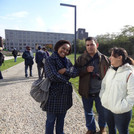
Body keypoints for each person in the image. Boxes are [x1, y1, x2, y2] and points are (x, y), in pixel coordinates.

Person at [75, 37, 110, 134]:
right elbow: (75, 72)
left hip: (101, 91)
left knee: (102, 112)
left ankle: (103, 128)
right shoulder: (81, 59)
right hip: (86, 90)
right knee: (88, 112)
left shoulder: (104, 58)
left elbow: (111, 72)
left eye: (92, 44)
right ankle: (91, 129)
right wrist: (86, 70)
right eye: (87, 45)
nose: (90, 47)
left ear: (97, 45)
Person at [40, 40, 77, 134]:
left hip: (65, 96)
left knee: (61, 120)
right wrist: (67, 80)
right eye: (63, 48)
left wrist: (65, 71)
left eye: (67, 50)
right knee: (50, 120)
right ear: (58, 47)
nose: (65, 51)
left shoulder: (67, 61)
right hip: (53, 95)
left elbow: (75, 72)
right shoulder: (50, 60)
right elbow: (53, 76)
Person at [99, 47, 134, 134]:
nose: (109, 58)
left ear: (120, 57)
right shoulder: (110, 70)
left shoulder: (129, 74)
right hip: (107, 107)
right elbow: (103, 85)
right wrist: (103, 97)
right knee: (111, 130)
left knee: (122, 132)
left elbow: (132, 95)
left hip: (121, 111)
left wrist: (122, 106)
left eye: (112, 55)